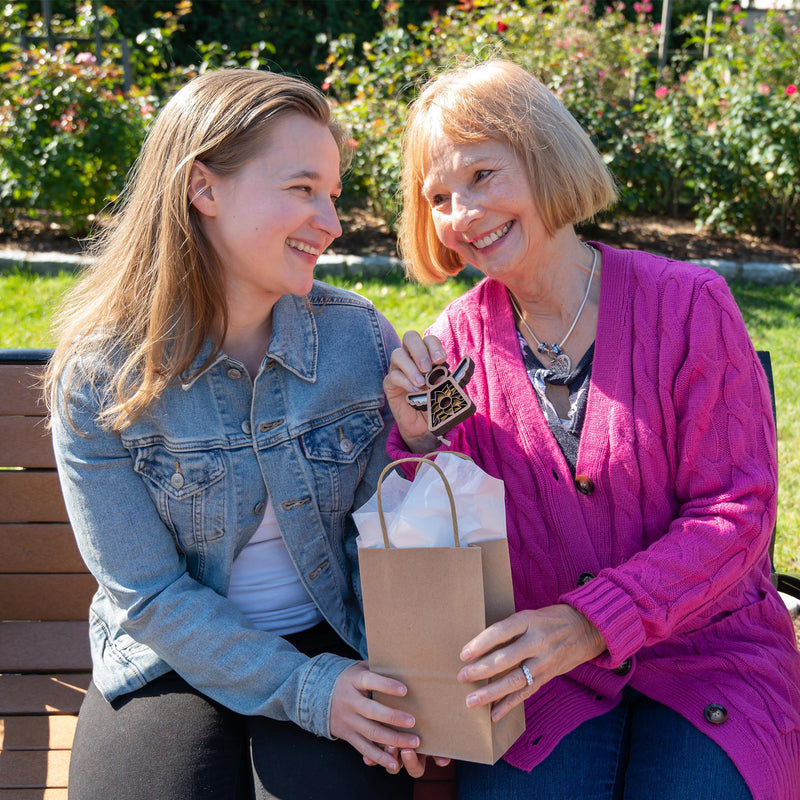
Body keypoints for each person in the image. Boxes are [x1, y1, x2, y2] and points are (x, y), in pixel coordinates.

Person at [383, 59, 800, 800]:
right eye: (438, 197)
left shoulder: (690, 305)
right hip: (545, 681)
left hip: (712, 660)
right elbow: (445, 538)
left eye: (482, 175)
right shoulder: (458, 343)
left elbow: (738, 513)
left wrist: (589, 622)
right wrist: (420, 442)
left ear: (545, 158)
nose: (463, 212)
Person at [45, 69, 419, 800]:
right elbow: (149, 595)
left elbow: (390, 537)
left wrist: (417, 442)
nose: (331, 222)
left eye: (332, 195)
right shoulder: (101, 377)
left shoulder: (358, 340)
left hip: (333, 639)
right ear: (203, 189)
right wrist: (308, 691)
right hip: (167, 657)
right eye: (302, 188)